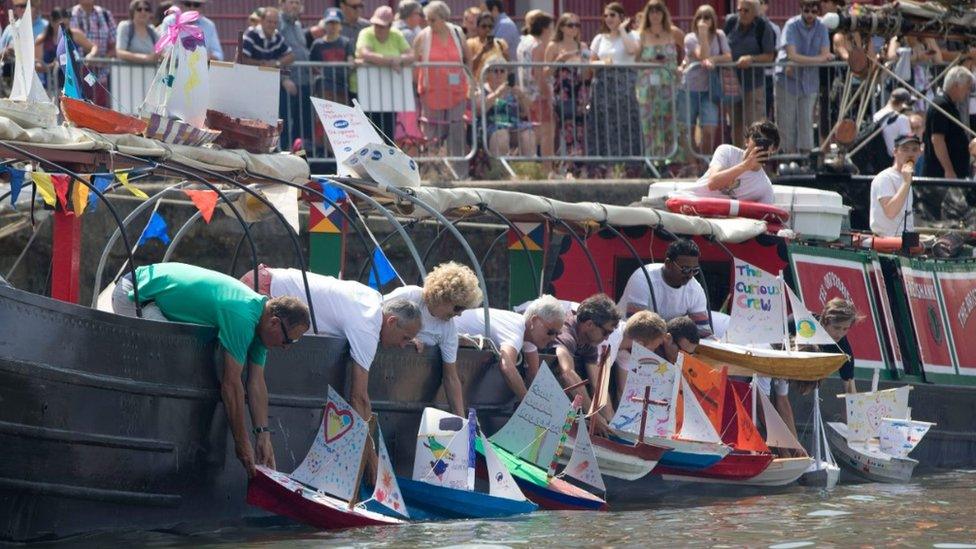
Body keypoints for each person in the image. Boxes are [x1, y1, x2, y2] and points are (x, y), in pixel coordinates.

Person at [111, 263, 311, 478]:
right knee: (172, 351)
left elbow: (256, 383)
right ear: (274, 322)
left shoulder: (261, 322)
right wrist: (242, 443)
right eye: (289, 340)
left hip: (155, 294)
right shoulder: (243, 315)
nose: (286, 347)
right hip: (136, 292)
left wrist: (263, 435)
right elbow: (231, 384)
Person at [239, 266, 421, 424]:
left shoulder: (373, 299)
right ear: (391, 321)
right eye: (405, 338)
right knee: (238, 372)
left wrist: (410, 336)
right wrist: (373, 460)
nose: (404, 345)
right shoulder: (368, 325)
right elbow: (359, 399)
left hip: (262, 276)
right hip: (262, 291)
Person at [384, 261, 483, 418]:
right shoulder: (411, 295)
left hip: (409, 394)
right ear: (443, 296)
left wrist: (462, 420)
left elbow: (451, 377)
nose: (459, 314)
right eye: (458, 308)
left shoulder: (448, 329)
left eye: (464, 309)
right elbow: (373, 317)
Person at [455, 294, 566, 400]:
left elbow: (534, 375)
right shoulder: (515, 330)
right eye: (551, 332)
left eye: (558, 334)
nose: (553, 338)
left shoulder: (528, 334)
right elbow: (507, 367)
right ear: (534, 320)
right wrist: (528, 403)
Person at [553, 294, 621, 437]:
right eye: (606, 332)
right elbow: (568, 374)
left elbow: (597, 384)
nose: (607, 338)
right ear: (589, 324)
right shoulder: (567, 334)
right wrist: (593, 415)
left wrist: (610, 422)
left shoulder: (588, 343)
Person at [413, 1, 467, 179]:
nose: (428, 22)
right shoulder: (423, 36)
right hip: (431, 94)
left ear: (444, 19)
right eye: (427, 19)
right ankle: (431, 173)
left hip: (457, 92)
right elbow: (415, 62)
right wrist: (416, 87)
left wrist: (471, 82)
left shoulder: (458, 33)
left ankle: (458, 175)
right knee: (431, 136)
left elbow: (468, 58)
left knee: (456, 135)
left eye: (433, 19)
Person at [587, 2, 642, 174]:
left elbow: (632, 50)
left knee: (626, 122)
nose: (609, 19)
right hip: (604, 84)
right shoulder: (599, 38)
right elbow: (591, 63)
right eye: (606, 15)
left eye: (612, 15)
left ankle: (629, 165)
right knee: (604, 124)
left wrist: (623, 30)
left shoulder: (632, 35)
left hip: (625, 84)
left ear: (621, 17)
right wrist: (603, 63)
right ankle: (605, 164)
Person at [616, 238, 712, 337]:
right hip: (623, 337)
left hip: (662, 340)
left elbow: (703, 332)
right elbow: (636, 328)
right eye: (685, 269)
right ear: (668, 264)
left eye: (695, 270)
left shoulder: (695, 289)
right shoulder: (643, 278)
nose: (690, 275)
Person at [774, 0, 832, 156]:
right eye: (807, 11)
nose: (810, 15)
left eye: (814, 11)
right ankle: (788, 159)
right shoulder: (791, 25)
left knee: (806, 123)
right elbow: (792, 55)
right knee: (787, 124)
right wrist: (819, 59)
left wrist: (803, 60)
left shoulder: (821, 26)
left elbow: (824, 53)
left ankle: (805, 160)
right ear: (801, 9)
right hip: (787, 81)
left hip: (809, 82)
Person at [681, 5, 730, 164]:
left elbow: (728, 56)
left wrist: (715, 60)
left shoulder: (719, 35)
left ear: (713, 20)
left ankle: (705, 163)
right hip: (689, 89)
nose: (703, 21)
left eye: (707, 17)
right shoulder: (690, 38)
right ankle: (692, 165)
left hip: (710, 90)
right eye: (700, 17)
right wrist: (702, 35)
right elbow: (702, 56)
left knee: (709, 130)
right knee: (687, 130)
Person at [723, 0, 776, 148]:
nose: (742, 13)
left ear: (754, 12)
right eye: (739, 10)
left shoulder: (762, 26)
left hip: (754, 84)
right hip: (732, 83)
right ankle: (739, 163)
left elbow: (769, 55)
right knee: (736, 125)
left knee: (755, 126)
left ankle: (756, 162)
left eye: (746, 11)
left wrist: (751, 59)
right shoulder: (730, 23)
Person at [356, 5, 413, 139]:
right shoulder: (366, 33)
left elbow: (411, 56)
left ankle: (387, 160)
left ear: (390, 25)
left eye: (382, 26)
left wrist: (399, 59)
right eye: (376, 25)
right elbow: (365, 54)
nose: (378, 28)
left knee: (387, 134)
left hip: (390, 95)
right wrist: (393, 61)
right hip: (367, 94)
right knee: (367, 133)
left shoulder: (396, 35)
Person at [689, 119, 778, 204]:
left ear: (773, 149)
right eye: (757, 137)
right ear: (747, 141)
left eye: (767, 142)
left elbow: (765, 217)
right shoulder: (727, 152)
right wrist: (746, 165)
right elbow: (712, 183)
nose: (759, 144)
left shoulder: (765, 188)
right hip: (689, 202)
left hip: (717, 217)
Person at [635, 0, 681, 163]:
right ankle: (652, 159)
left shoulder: (673, 32)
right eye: (652, 11)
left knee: (669, 121)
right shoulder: (641, 34)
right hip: (647, 86)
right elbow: (635, 59)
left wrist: (681, 68)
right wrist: (651, 62)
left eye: (658, 11)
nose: (655, 15)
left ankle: (669, 160)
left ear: (664, 14)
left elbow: (688, 53)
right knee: (649, 123)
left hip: (669, 85)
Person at [546, 12, 590, 172]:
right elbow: (545, 72)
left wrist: (585, 64)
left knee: (579, 130)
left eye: (577, 25)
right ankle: (567, 167)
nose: (574, 29)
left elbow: (586, 74)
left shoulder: (583, 47)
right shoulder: (554, 46)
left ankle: (578, 167)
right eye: (570, 25)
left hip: (579, 93)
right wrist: (560, 60)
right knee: (566, 129)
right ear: (562, 27)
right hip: (562, 93)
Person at [517, 10, 554, 176]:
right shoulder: (538, 45)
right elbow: (537, 74)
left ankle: (533, 169)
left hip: (526, 94)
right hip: (538, 95)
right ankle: (547, 170)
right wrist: (547, 94)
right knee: (547, 132)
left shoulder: (523, 42)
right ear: (545, 28)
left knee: (535, 133)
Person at [923, 65, 975, 180]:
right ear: (956, 86)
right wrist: (949, 170)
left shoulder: (950, 105)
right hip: (941, 175)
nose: (967, 92)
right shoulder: (941, 105)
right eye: (967, 88)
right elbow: (937, 140)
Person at [480, 55, 536, 157]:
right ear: (487, 74)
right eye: (495, 71)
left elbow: (528, 113)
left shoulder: (513, 90)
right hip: (492, 126)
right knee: (501, 135)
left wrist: (522, 96)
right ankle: (500, 171)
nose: (499, 74)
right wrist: (497, 93)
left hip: (513, 125)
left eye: (502, 71)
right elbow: (480, 109)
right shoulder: (481, 90)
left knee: (528, 135)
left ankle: (528, 169)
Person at [612, 311, 669, 406]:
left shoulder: (627, 348)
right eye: (653, 348)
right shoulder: (610, 340)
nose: (652, 353)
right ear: (640, 344)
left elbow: (622, 391)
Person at [870, 134, 921, 237]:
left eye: (914, 150)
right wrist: (906, 183)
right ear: (895, 152)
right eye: (905, 149)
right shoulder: (885, 177)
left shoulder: (907, 176)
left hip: (906, 239)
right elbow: (890, 212)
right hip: (886, 240)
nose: (910, 154)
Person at [277, 0, 312, 151]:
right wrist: (283, 79)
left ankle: (300, 160)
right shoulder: (277, 23)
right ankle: (284, 158)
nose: (295, 6)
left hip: (303, 82)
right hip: (286, 84)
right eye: (292, 2)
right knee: (286, 125)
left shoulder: (298, 25)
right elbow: (275, 52)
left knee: (302, 126)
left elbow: (301, 51)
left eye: (298, 2)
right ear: (282, 4)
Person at [69, 0, 116, 106]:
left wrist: (101, 61)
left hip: (103, 76)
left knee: (102, 114)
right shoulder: (70, 14)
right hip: (77, 75)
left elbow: (114, 47)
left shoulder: (105, 15)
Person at [817, 298, 862, 394]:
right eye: (836, 327)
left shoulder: (843, 349)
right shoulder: (803, 326)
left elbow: (851, 391)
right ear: (825, 320)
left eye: (845, 329)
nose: (840, 334)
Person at [309, 7, 353, 104]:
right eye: (329, 23)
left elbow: (350, 61)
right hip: (324, 87)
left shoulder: (346, 42)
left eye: (335, 23)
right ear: (325, 25)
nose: (332, 26)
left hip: (342, 87)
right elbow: (311, 65)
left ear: (340, 25)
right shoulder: (317, 44)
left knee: (342, 117)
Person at [872, 88, 915, 158]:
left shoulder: (876, 115)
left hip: (877, 159)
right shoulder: (902, 119)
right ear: (903, 104)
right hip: (894, 160)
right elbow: (907, 146)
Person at [468, 12, 508, 79]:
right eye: (484, 26)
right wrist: (482, 51)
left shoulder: (501, 43)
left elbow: (508, 66)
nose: (487, 29)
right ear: (477, 28)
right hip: (479, 85)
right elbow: (469, 67)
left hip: (498, 84)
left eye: (490, 26)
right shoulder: (471, 43)